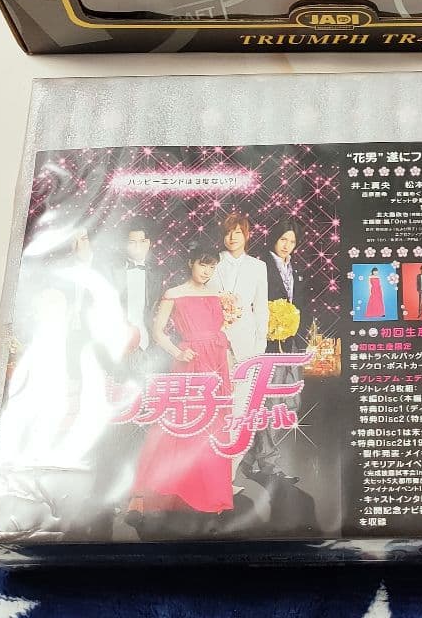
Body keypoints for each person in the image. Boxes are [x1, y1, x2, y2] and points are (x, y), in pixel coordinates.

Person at [128, 249, 234, 522]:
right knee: (182, 422)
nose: (207, 271)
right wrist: (178, 353)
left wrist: (229, 364)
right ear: (191, 263)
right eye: (203, 264)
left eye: (212, 267)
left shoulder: (217, 294)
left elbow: (221, 330)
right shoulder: (174, 293)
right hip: (191, 360)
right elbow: (158, 332)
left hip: (217, 361)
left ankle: (211, 493)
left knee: (214, 425)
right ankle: (160, 490)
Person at [243, 218, 306, 484]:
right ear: (274, 239)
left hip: (291, 343)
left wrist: (299, 338)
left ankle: (250, 457)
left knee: (292, 403)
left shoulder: (296, 269)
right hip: (267, 344)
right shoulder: (261, 266)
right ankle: (269, 464)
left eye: (292, 241)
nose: (287, 245)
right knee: (271, 404)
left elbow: (301, 305)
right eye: (283, 239)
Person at [214, 213, 268, 480]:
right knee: (217, 406)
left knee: (241, 408)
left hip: (247, 346)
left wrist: (260, 347)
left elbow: (261, 308)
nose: (232, 237)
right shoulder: (213, 263)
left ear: (247, 235)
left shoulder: (258, 267)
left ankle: (230, 474)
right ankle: (213, 473)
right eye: (228, 232)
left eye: (237, 232)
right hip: (216, 344)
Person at [108, 220, 164, 376]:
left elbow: (156, 306)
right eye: (132, 242)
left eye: (142, 241)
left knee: (147, 383)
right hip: (118, 339)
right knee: (117, 382)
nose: (138, 246)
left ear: (149, 243)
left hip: (147, 339)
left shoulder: (157, 274)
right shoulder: (112, 270)